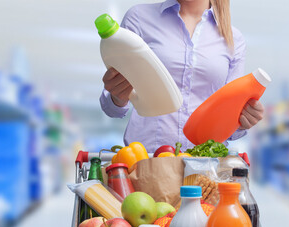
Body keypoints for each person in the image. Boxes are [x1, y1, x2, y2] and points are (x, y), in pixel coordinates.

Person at [100, 0, 264, 152]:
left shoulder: (234, 39)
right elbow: (112, 108)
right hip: (147, 161)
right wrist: (117, 96)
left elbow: (229, 123)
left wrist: (243, 120)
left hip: (205, 166)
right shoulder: (139, 19)